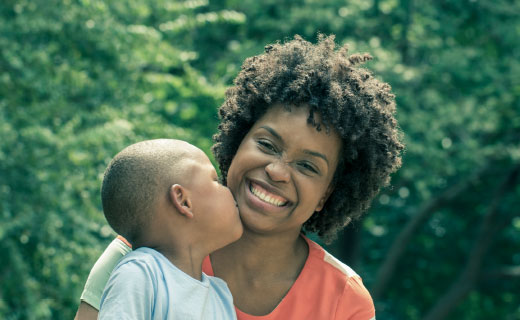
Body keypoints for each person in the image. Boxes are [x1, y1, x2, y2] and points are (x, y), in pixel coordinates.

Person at [75, 34, 403, 320]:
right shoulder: (145, 247)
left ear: (326, 195)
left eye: (307, 166)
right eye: (266, 144)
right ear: (238, 141)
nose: (277, 171)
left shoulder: (343, 302)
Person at [95, 139, 243, 319]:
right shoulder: (140, 275)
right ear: (183, 200)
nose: (228, 189)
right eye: (216, 180)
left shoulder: (220, 296)